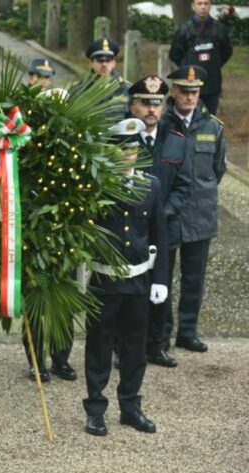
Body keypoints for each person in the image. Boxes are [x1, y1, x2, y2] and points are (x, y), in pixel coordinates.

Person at [83, 119, 168, 437]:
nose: (127, 155)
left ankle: (130, 407)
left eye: (132, 149)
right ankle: (95, 409)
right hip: (104, 280)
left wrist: (160, 279)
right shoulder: (96, 185)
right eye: (120, 149)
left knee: (134, 347)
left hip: (138, 280)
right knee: (99, 346)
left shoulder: (151, 185)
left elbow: (160, 231)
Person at [128, 75, 193, 368]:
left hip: (164, 229)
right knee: (129, 290)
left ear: (164, 107)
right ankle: (125, 346)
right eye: (144, 103)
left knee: (161, 287)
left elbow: (184, 186)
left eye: (156, 103)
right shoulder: (122, 141)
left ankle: (157, 345)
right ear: (133, 107)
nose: (151, 109)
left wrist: (163, 213)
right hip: (131, 230)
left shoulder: (177, 142)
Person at [162, 65, 226, 354]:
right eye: (184, 90)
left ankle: (187, 332)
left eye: (195, 91)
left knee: (194, 278)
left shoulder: (213, 126)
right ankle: (160, 335)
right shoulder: (162, 123)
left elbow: (217, 169)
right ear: (173, 91)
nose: (189, 96)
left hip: (199, 214)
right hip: (167, 213)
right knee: (161, 277)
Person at [169, 0, 233, 115]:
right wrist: (189, 67)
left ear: (210, 6)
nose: (203, 7)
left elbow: (227, 52)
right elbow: (175, 54)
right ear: (193, 6)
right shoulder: (184, 30)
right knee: (187, 117)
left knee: (209, 118)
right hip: (189, 83)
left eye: (206, 3)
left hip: (212, 84)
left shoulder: (220, 29)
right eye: (199, 3)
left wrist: (214, 64)